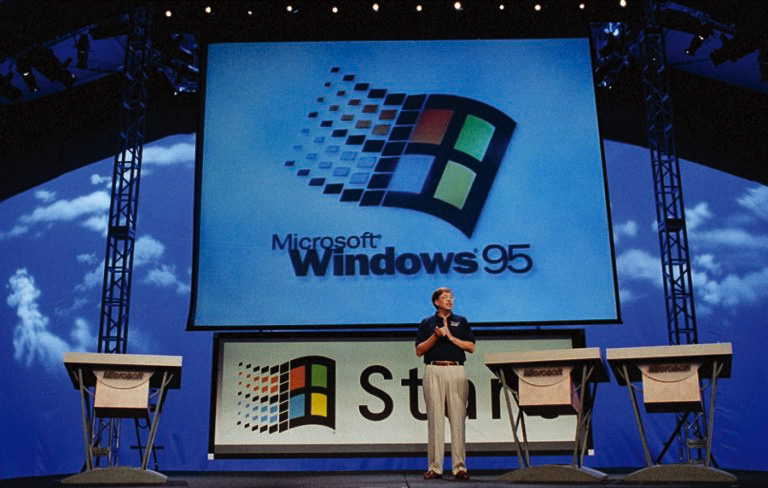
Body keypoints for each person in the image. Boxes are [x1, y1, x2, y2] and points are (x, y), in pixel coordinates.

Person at [415, 287, 475, 481]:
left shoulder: (461, 321)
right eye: (445, 297)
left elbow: (470, 347)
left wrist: (450, 336)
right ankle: (435, 467)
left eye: (451, 297)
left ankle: (459, 467)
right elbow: (419, 350)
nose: (449, 300)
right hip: (434, 369)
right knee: (435, 420)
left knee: (458, 419)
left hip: (455, 369)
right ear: (436, 302)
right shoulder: (427, 323)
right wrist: (435, 336)